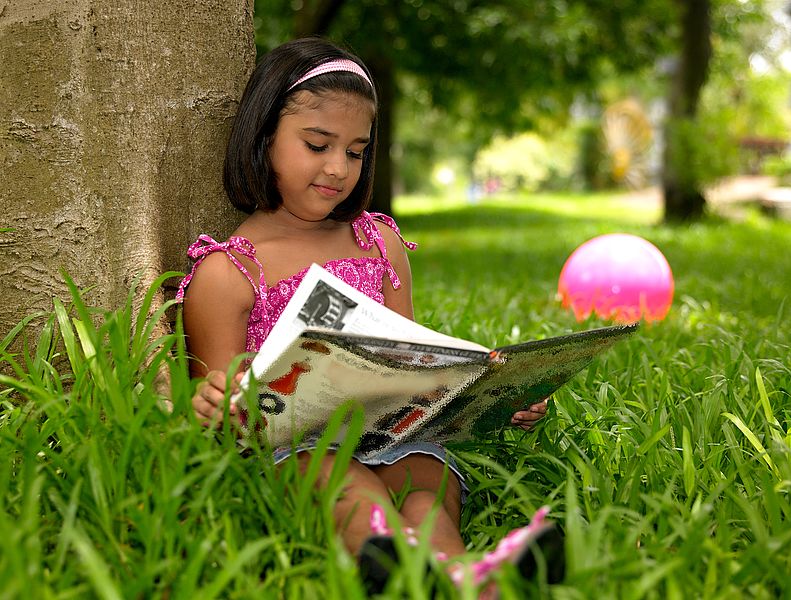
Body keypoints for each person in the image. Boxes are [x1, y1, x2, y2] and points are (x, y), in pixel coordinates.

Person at [175, 37, 560, 594]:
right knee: (342, 482)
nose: (337, 168)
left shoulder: (377, 243)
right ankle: (398, 563)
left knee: (426, 483)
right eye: (317, 144)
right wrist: (215, 400)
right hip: (297, 450)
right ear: (263, 139)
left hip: (392, 437)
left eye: (355, 152)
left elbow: (411, 355)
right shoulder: (228, 271)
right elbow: (220, 403)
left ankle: (460, 573)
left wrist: (497, 393)